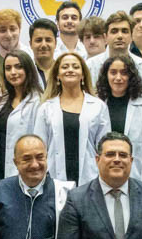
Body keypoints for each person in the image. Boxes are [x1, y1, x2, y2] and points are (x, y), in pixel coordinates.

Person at [34, 52, 111, 185]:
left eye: (75, 67)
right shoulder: (46, 108)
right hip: (53, 178)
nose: (70, 70)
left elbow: (105, 147)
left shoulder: (98, 106)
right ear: (57, 75)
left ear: (83, 75)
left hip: (90, 176)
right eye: (65, 67)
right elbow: (39, 147)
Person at [97, 54, 142, 186]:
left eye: (124, 73)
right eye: (113, 72)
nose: (118, 78)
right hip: (102, 177)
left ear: (131, 77)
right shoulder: (96, 105)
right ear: (106, 76)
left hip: (136, 177)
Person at [0, 50, 43, 181]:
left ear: (28, 69)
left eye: (18, 67)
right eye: (8, 68)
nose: (13, 72)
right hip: (0, 161)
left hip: (25, 164)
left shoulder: (38, 101)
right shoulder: (2, 99)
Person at [87, 11, 142, 89]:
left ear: (131, 37)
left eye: (124, 31)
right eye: (114, 31)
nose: (120, 36)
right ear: (105, 37)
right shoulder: (90, 66)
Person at [28, 18, 58, 87]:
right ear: (30, 44)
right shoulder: (24, 72)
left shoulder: (63, 71)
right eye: (38, 40)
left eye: (48, 40)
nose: (44, 45)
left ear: (55, 43)